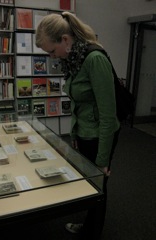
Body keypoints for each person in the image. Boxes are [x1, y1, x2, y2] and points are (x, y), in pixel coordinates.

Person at [35, 11, 120, 240]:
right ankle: (88, 225)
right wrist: (75, 133)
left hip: (99, 135)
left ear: (65, 39)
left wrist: (102, 161)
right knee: (89, 186)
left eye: (52, 51)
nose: (52, 57)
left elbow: (108, 116)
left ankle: (93, 232)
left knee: (98, 187)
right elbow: (78, 103)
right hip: (84, 132)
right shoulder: (74, 59)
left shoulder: (94, 59)